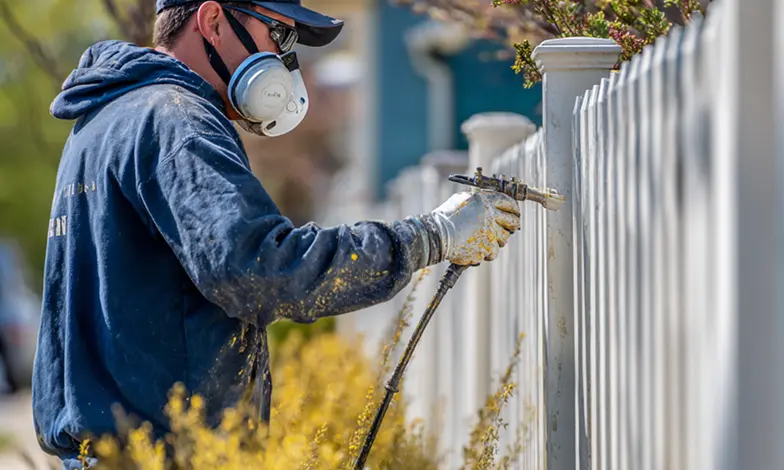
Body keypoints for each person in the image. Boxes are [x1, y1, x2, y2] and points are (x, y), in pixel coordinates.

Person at [32, 1, 522, 468]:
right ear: (213, 21)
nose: (286, 60)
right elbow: (263, 270)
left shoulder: (100, 123)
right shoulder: (177, 121)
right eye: (278, 34)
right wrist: (428, 238)